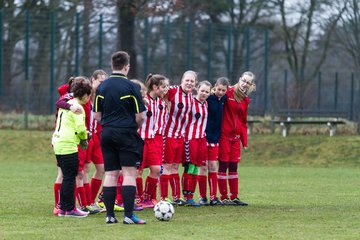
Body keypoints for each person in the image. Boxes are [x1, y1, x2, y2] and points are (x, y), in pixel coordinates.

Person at [94, 51, 146, 224]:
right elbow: (141, 116)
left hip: (107, 133)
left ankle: (109, 216)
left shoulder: (102, 86)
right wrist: (133, 127)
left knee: (110, 174)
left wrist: (109, 125)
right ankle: (129, 216)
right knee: (129, 173)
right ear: (126, 67)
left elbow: (97, 115)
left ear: (112, 66)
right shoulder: (132, 87)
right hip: (126, 132)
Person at [52, 76, 92, 217]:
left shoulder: (67, 102)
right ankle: (70, 209)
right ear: (86, 95)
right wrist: (85, 138)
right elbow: (80, 129)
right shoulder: (78, 108)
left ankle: (63, 208)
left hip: (58, 143)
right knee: (70, 177)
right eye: (89, 96)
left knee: (66, 176)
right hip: (68, 144)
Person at [218, 71, 256, 205]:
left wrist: (244, 141)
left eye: (248, 82)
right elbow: (216, 94)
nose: (245, 84)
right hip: (224, 136)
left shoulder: (245, 100)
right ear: (240, 79)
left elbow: (243, 122)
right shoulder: (227, 93)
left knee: (234, 166)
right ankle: (223, 197)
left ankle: (234, 197)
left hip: (236, 138)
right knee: (223, 165)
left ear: (250, 85)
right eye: (244, 80)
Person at [160, 70, 196, 205]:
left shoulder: (192, 97)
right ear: (182, 81)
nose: (189, 83)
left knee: (175, 166)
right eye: (187, 80)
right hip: (168, 135)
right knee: (167, 166)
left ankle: (176, 197)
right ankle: (164, 197)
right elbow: (159, 93)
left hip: (181, 137)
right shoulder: (173, 91)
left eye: (192, 81)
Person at [137, 74, 169, 208]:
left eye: (167, 86)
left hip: (156, 139)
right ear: (155, 87)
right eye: (163, 87)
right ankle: (138, 198)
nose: (166, 89)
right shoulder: (143, 100)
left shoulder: (162, 102)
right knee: (137, 170)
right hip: (141, 138)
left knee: (156, 169)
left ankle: (148, 197)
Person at [198, 77, 230, 206]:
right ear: (214, 87)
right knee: (203, 166)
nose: (220, 92)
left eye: (223, 90)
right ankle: (202, 197)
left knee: (212, 166)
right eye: (218, 89)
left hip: (215, 139)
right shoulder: (208, 98)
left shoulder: (224, 99)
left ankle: (213, 196)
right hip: (204, 137)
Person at [182, 80, 212, 206]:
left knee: (196, 168)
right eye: (202, 90)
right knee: (190, 167)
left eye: (207, 92)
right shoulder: (190, 102)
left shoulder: (205, 104)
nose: (204, 93)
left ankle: (191, 195)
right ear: (197, 89)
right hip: (190, 138)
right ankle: (186, 196)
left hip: (201, 139)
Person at [83, 70, 108, 213]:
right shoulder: (84, 96)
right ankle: (85, 202)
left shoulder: (103, 98)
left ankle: (92, 201)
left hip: (97, 138)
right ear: (92, 80)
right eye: (100, 81)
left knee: (102, 168)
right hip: (86, 137)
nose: (102, 84)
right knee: (84, 170)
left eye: (105, 82)